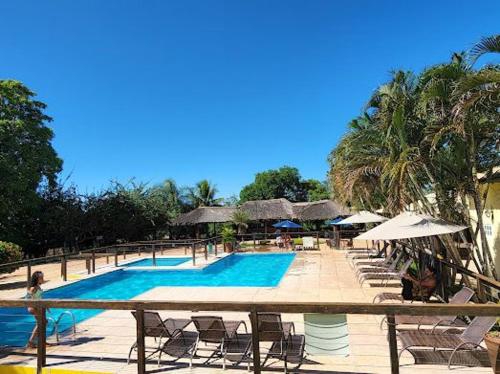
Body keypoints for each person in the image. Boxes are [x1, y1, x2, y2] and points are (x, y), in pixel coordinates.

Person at [26, 271, 49, 348]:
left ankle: (39, 341)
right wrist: (35, 307)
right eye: (41, 278)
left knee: (43, 322)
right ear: (36, 279)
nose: (43, 279)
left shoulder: (37, 286)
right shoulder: (33, 288)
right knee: (42, 323)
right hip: (34, 307)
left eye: (43, 277)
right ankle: (31, 342)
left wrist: (45, 306)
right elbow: (29, 298)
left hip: (39, 306)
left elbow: (39, 297)